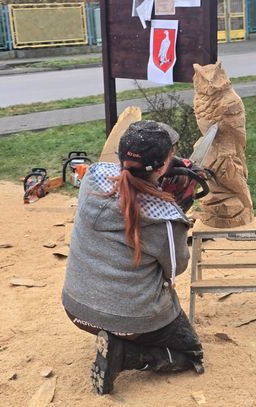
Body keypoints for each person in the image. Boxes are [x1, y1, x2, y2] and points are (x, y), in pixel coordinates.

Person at [61, 120, 204, 395]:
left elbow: (127, 193)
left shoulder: (92, 177)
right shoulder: (166, 218)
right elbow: (176, 268)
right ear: (162, 167)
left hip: (77, 309)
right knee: (190, 352)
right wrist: (174, 207)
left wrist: (156, 190)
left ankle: (117, 337)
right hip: (132, 319)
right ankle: (126, 354)